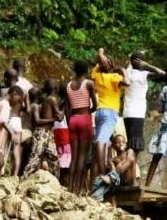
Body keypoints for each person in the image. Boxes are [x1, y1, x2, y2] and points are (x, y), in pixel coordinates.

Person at [92, 48, 129, 182]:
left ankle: (95, 181)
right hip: (110, 112)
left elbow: (99, 62)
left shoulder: (97, 75)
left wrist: (101, 53)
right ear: (111, 66)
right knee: (102, 142)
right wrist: (124, 72)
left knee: (99, 143)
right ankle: (103, 174)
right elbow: (127, 83)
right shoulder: (114, 77)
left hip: (99, 111)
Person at [122, 52, 166, 161]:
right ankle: (121, 172)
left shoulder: (127, 73)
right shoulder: (144, 74)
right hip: (137, 113)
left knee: (131, 144)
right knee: (135, 146)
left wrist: (131, 60)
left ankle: (128, 174)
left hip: (127, 113)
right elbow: (162, 73)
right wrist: (147, 65)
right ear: (141, 62)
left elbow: (129, 65)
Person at [66, 61, 98, 195]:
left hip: (73, 120)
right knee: (82, 157)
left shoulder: (68, 85)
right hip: (85, 119)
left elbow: (68, 107)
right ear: (85, 71)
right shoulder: (89, 84)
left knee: (73, 157)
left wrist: (70, 121)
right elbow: (95, 104)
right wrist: (88, 111)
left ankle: (69, 187)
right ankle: (78, 190)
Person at [24, 80, 63, 177]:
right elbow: (60, 118)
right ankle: (23, 180)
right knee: (34, 159)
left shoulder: (48, 99)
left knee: (54, 159)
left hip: (47, 133)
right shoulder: (51, 99)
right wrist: (65, 106)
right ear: (55, 88)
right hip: (42, 133)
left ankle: (54, 184)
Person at [91, 134, 137, 202]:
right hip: (119, 182)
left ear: (126, 144)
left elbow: (130, 159)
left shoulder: (129, 151)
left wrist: (121, 163)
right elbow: (112, 168)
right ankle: (96, 195)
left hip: (130, 181)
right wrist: (111, 160)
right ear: (113, 146)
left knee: (131, 159)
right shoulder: (114, 159)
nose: (121, 144)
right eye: (118, 142)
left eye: (123, 142)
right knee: (101, 180)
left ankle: (111, 178)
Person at [0, 69, 25, 176]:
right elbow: (26, 107)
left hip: (6, 121)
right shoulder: (22, 91)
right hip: (17, 121)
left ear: (5, 78)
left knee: (2, 148)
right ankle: (15, 175)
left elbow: (1, 105)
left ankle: (0, 173)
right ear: (17, 78)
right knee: (16, 148)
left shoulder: (4, 91)